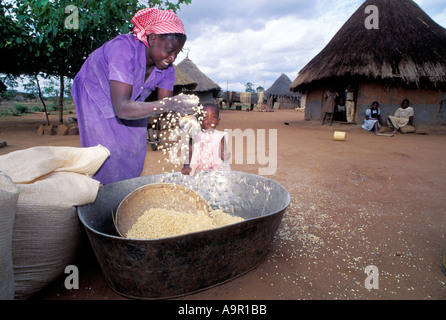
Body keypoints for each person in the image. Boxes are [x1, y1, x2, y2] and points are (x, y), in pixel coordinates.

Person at [71, 8, 198, 184]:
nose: (173, 58)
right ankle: (101, 194)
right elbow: (123, 109)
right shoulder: (123, 50)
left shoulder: (166, 69)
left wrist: (186, 119)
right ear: (152, 38)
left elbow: (165, 106)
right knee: (105, 151)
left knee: (135, 147)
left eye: (177, 53)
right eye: (170, 50)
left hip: (129, 103)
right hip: (95, 91)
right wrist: (172, 103)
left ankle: (124, 189)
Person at [181, 103, 230, 176]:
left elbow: (223, 152)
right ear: (199, 120)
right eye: (205, 117)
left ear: (218, 121)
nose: (209, 121)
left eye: (213, 117)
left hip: (216, 172)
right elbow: (189, 152)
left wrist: (225, 155)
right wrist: (186, 166)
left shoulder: (220, 136)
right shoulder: (194, 136)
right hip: (197, 171)